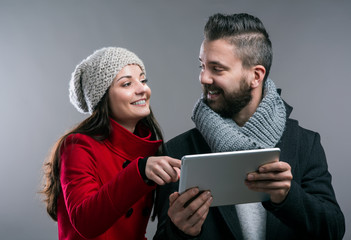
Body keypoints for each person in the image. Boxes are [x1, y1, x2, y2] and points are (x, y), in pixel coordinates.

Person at [153, 13, 345, 240]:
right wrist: (179, 231)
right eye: (202, 66)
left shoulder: (304, 144)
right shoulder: (177, 152)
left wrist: (287, 196)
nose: (204, 78)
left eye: (217, 68)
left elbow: (333, 230)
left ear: (256, 75)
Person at [41, 47, 181, 240]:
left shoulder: (147, 150)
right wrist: (139, 172)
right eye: (126, 84)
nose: (142, 89)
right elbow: (85, 222)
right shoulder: (78, 146)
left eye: (142, 80)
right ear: (103, 97)